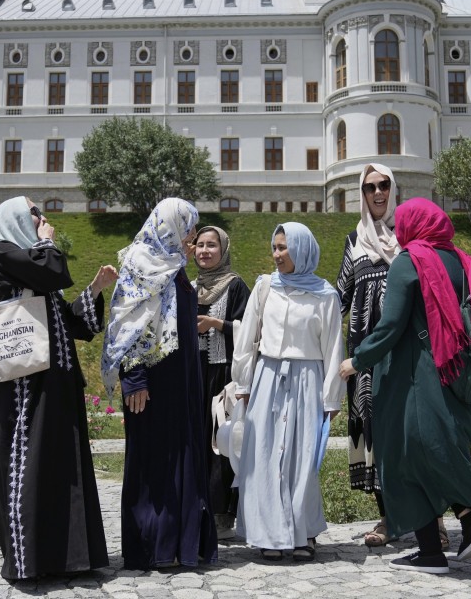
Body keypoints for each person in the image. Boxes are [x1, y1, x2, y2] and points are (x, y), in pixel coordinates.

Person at [340, 198, 471, 574]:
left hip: (412, 379)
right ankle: (443, 540)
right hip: (455, 374)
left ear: (413, 225)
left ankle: (453, 531)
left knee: (403, 458)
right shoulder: (460, 260)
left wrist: (357, 360)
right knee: (434, 453)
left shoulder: (408, 262)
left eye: (401, 224)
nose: (398, 231)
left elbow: (391, 326)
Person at [0, 196, 118, 583]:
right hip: (25, 387)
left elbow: (66, 320)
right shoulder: (4, 253)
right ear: (17, 217)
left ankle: (68, 557)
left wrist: (96, 287)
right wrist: (46, 242)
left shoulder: (32, 265)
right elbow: (52, 270)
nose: (43, 218)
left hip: (54, 385)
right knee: (28, 462)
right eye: (36, 212)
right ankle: (28, 559)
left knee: (60, 466)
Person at [335, 165, 449, 549]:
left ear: (394, 189)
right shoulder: (355, 242)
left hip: (412, 354)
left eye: (384, 185)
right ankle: (388, 518)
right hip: (367, 358)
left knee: (417, 433)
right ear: (362, 194)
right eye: (370, 187)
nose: (378, 192)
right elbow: (340, 298)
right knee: (377, 436)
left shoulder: (412, 237)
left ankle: (434, 519)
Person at [101, 198, 218, 571]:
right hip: (150, 384)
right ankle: (153, 545)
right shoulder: (139, 264)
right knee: (154, 462)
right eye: (189, 229)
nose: (193, 238)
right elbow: (124, 324)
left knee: (183, 457)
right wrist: (133, 378)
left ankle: (182, 546)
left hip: (181, 382)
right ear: (170, 225)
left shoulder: (176, 267)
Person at [231, 222, 344, 561]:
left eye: (284, 247)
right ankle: (268, 533)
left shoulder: (325, 295)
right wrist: (243, 384)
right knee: (263, 454)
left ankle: (303, 532)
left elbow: (334, 348)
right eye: (275, 247)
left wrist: (331, 398)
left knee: (302, 458)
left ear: (302, 249)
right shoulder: (266, 287)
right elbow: (247, 339)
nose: (277, 254)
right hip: (267, 377)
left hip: (308, 379)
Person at [193, 225, 251, 540]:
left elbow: (252, 329)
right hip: (195, 373)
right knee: (199, 440)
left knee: (223, 442)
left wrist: (217, 324)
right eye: (200, 245)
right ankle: (200, 507)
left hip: (223, 373)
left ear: (223, 249)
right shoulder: (189, 287)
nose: (204, 251)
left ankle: (224, 515)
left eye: (211, 245)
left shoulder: (235, 285)